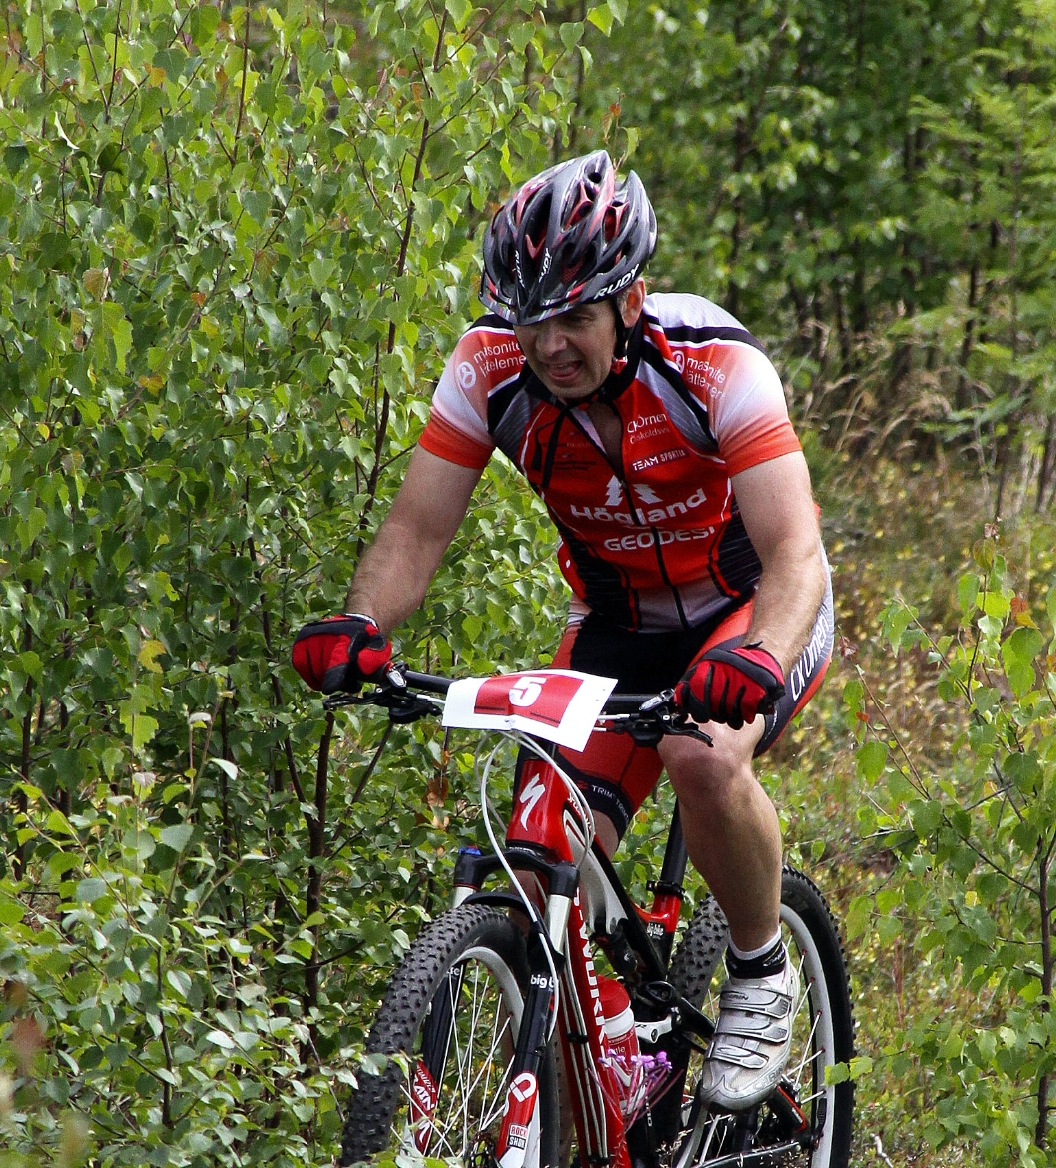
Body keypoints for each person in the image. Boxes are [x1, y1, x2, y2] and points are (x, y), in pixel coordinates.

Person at [291, 151, 832, 1113]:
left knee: (701, 759)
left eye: (573, 316)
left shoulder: (715, 366)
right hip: (617, 625)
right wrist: (359, 622)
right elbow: (415, 532)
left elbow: (797, 556)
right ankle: (604, 1062)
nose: (548, 346)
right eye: (528, 317)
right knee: (542, 831)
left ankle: (759, 971)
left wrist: (756, 655)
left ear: (631, 300)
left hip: (749, 614)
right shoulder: (487, 371)